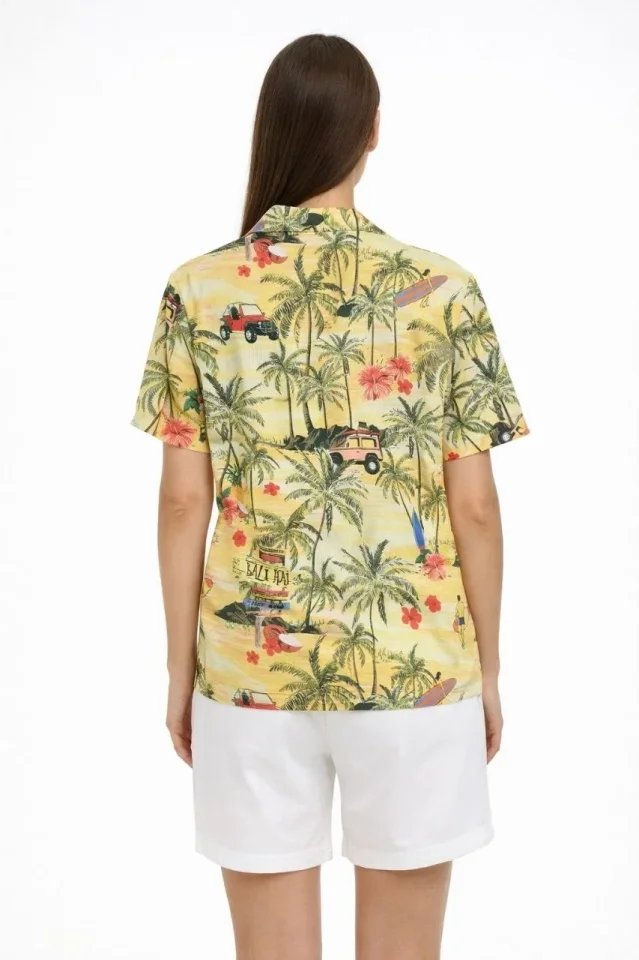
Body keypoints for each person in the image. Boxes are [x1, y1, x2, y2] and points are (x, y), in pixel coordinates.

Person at [130, 32, 531, 960]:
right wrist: (486, 669)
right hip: (415, 667)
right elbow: (473, 507)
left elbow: (183, 503)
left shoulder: (198, 289)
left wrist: (182, 669)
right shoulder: (444, 291)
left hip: (248, 673)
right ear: (372, 129)